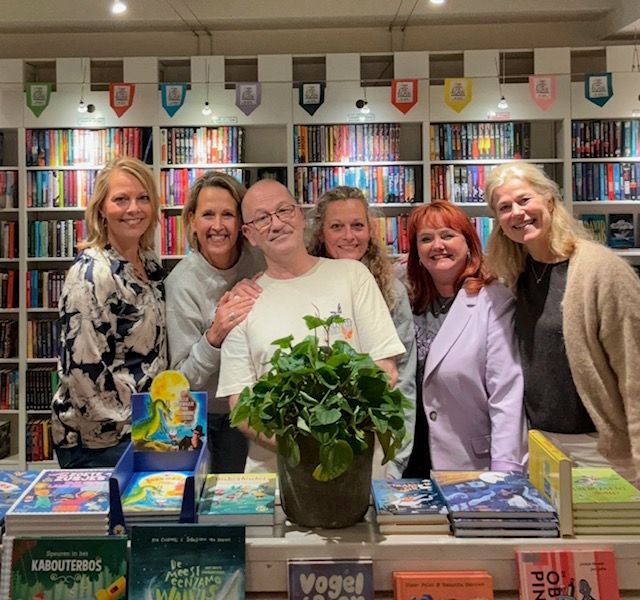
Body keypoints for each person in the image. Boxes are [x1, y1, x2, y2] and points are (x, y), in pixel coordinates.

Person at [217, 179, 406, 473]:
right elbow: (241, 408)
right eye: (262, 218)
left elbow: (385, 370)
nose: (277, 223)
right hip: (276, 483)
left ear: (301, 216)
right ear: (249, 234)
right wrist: (310, 448)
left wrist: (335, 444)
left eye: (284, 210)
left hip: (356, 471)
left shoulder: (353, 276)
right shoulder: (242, 303)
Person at [485, 162, 640, 484]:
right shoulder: (515, 274)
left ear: (550, 200)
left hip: (598, 451)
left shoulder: (601, 270)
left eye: (525, 200)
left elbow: (634, 373)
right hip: (539, 446)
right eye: (504, 207)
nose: (517, 212)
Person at [51, 157, 167, 468]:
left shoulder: (148, 261)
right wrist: (132, 431)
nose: (134, 208)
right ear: (101, 208)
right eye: (121, 199)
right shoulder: (92, 274)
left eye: (143, 198)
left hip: (145, 427)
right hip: (103, 441)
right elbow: (83, 374)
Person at [404, 201, 527, 472]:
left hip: (469, 460)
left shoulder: (494, 300)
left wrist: (507, 470)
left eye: (448, 235)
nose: (437, 246)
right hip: (409, 457)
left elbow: (506, 391)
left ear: (469, 243)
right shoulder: (408, 301)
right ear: (417, 253)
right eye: (426, 239)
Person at [307, 185, 417, 478]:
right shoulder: (304, 283)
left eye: (357, 225)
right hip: (314, 441)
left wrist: (396, 458)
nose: (348, 236)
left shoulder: (392, 291)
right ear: (321, 233)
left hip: (376, 443)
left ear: (370, 231)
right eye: (336, 227)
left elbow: (403, 379)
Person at [165, 171, 265, 473]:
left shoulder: (262, 261)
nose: (218, 226)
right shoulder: (180, 283)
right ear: (193, 221)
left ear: (242, 223)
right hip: (207, 417)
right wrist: (215, 335)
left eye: (228, 215)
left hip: (261, 407)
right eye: (208, 215)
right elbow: (181, 383)